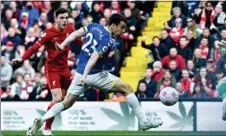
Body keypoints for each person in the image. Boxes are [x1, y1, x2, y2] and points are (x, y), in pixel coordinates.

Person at [26, 13, 162, 136]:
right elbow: (94, 57)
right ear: (113, 26)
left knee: (66, 103)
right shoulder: (108, 40)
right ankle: (143, 121)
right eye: (121, 27)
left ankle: (41, 120)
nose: (123, 31)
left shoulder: (94, 26)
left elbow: (73, 35)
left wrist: (62, 45)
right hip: (93, 74)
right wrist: (86, 75)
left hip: (79, 73)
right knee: (127, 88)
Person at [11, 8, 83, 136]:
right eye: (61, 18)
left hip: (65, 69)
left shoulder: (70, 29)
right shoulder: (49, 33)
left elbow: (80, 42)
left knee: (68, 100)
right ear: (56, 19)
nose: (64, 20)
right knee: (57, 98)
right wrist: (21, 59)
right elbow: (34, 48)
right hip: (52, 69)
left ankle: (45, 85)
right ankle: (46, 128)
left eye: (66, 17)